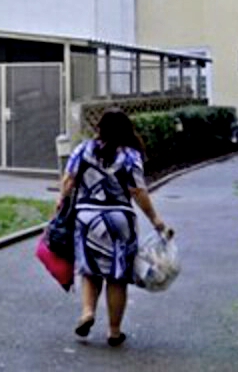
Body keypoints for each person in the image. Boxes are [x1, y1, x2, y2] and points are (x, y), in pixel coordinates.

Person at [59, 108, 171, 346]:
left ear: (100, 128)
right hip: (119, 220)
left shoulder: (83, 149)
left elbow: (68, 181)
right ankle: (114, 331)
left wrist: (60, 205)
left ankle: (87, 312)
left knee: (90, 271)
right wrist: (155, 219)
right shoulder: (130, 155)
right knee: (117, 277)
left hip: (86, 218)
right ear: (126, 130)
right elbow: (137, 190)